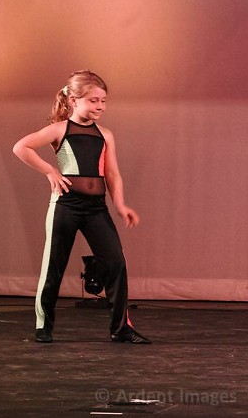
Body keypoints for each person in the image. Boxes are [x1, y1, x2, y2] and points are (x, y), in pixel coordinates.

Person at [12, 70, 150, 344]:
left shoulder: (105, 135)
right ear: (74, 100)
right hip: (66, 205)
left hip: (96, 208)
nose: (100, 106)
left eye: (103, 101)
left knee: (116, 262)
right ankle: (43, 325)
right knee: (54, 265)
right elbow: (21, 147)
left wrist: (120, 204)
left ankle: (121, 328)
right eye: (93, 100)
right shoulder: (60, 129)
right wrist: (50, 171)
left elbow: (112, 173)